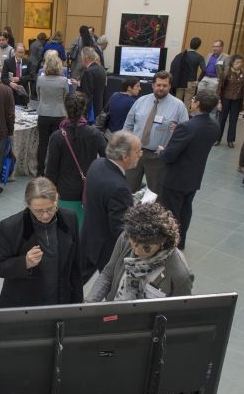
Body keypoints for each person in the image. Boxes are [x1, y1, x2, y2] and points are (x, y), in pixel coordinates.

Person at [0, 177, 83, 307]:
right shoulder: (10, 227)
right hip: (25, 304)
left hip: (60, 300)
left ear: (57, 201)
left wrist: (78, 305)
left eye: (51, 209)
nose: (45, 215)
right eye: (38, 211)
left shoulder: (70, 218)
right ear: (28, 205)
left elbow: (76, 265)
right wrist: (24, 263)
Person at [85, 203, 193, 302]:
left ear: (162, 241)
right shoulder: (126, 238)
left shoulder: (180, 273)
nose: (136, 252)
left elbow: (179, 313)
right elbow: (108, 274)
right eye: (133, 244)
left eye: (146, 248)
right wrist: (89, 301)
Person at [157, 90, 220, 250]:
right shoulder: (214, 125)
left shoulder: (186, 127)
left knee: (170, 213)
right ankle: (180, 242)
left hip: (175, 178)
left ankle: (169, 245)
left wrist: (161, 151)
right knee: (185, 211)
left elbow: (169, 156)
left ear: (197, 103)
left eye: (193, 100)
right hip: (194, 177)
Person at [80, 131, 140, 284]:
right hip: (106, 249)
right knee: (111, 286)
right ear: (125, 157)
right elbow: (119, 228)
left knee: (77, 279)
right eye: (138, 151)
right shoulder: (119, 188)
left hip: (89, 236)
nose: (141, 154)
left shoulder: (97, 164)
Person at [45, 92, 107, 227]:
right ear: (84, 108)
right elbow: (108, 160)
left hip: (64, 193)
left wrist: (48, 196)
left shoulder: (58, 136)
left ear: (64, 108)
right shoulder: (95, 134)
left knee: (65, 231)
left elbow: (51, 171)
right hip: (88, 192)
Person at [123, 70, 188, 195]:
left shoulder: (178, 106)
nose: (161, 88)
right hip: (135, 153)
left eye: (164, 85)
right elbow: (128, 124)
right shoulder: (140, 101)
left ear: (169, 86)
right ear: (153, 85)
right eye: (158, 85)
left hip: (158, 158)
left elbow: (184, 133)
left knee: (155, 193)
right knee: (128, 188)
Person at [35, 56, 69, 176]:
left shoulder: (40, 79)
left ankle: (40, 171)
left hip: (43, 113)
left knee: (42, 143)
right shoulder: (64, 80)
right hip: (58, 115)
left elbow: (38, 95)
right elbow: (66, 97)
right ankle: (54, 169)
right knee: (56, 144)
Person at [215, 54, 244, 147]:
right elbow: (219, 88)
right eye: (237, 62)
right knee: (221, 119)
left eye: (241, 62)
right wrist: (219, 102)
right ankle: (217, 138)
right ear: (232, 62)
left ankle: (230, 140)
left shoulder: (243, 72)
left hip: (237, 100)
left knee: (233, 120)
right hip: (225, 99)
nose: (239, 64)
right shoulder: (226, 73)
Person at [169, 37, 206, 114]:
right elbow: (204, 70)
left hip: (180, 82)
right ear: (199, 46)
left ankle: (174, 116)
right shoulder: (199, 57)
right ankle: (185, 120)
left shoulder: (181, 55)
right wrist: (198, 80)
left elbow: (173, 66)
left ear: (190, 44)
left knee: (177, 101)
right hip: (191, 83)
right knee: (187, 103)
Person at [80, 46, 107, 122]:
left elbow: (87, 94)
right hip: (98, 108)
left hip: (90, 112)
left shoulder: (88, 72)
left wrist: (83, 113)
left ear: (84, 58)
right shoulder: (101, 69)